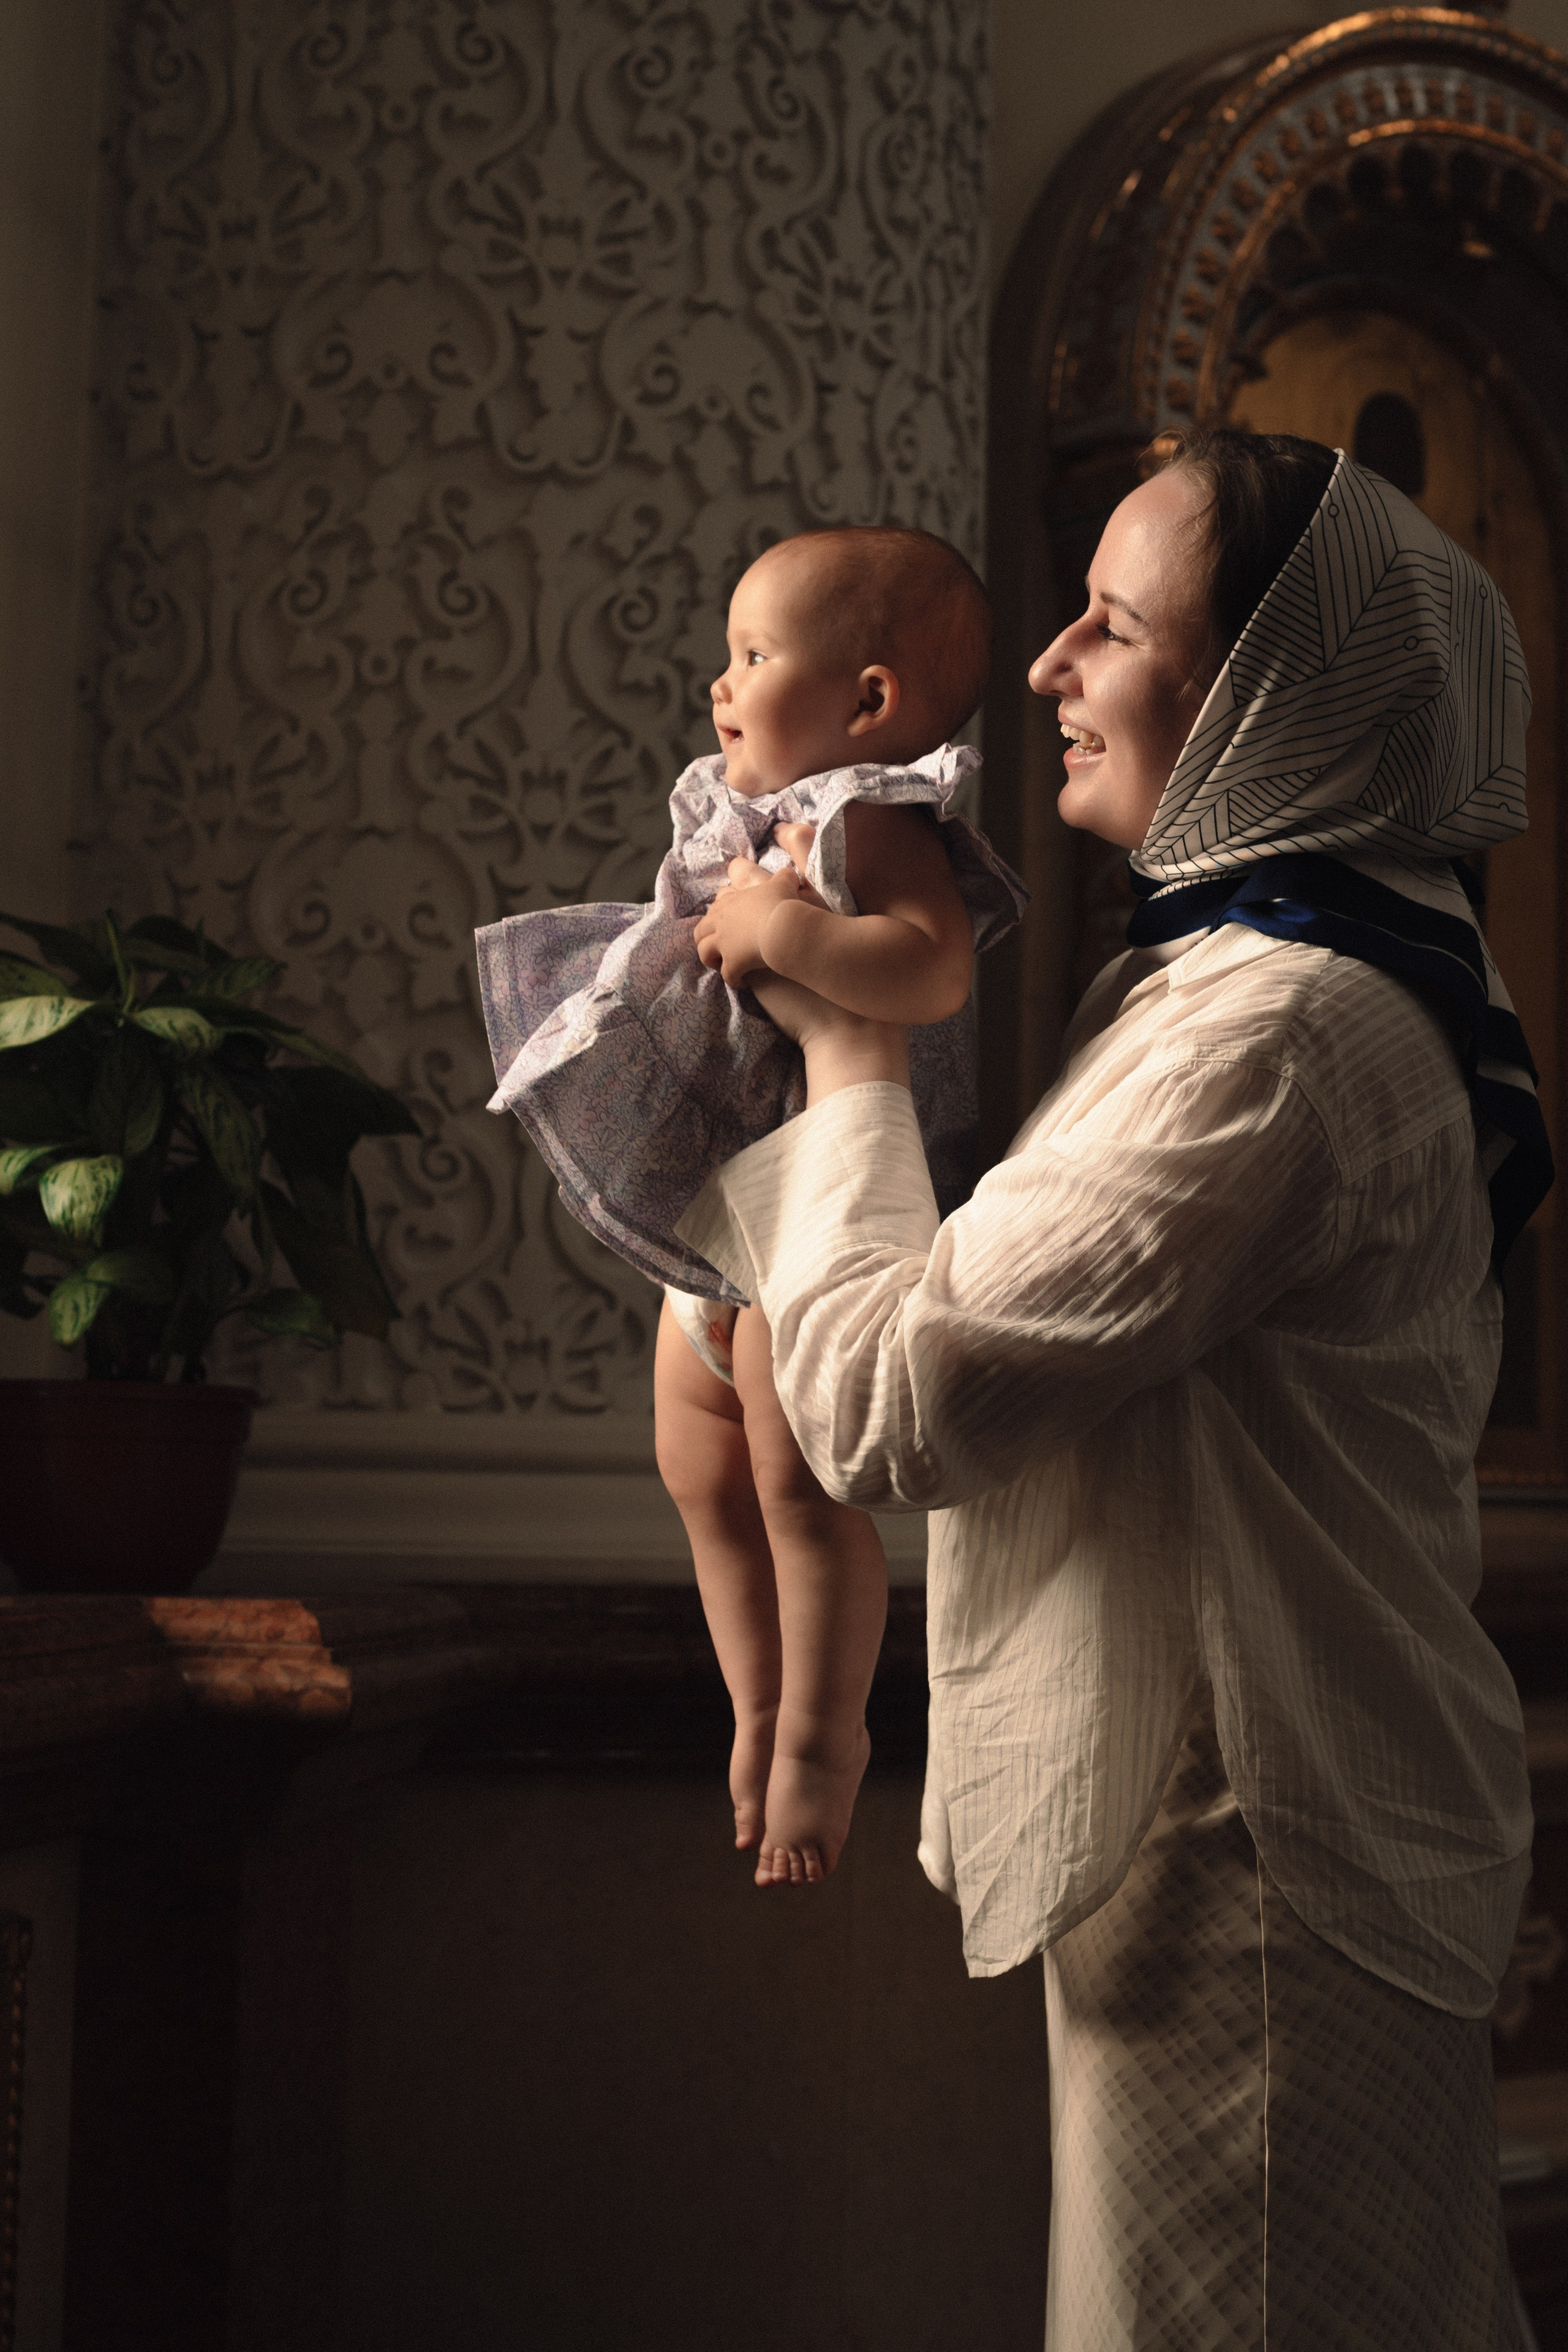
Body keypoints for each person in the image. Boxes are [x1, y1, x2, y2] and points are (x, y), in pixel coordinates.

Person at [684, 432, 1550, 2348]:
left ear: (1266, 696)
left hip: (1263, 1870)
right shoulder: (1245, 981)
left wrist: (846, 1048)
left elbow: (895, 1401)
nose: (1052, 665)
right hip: (1262, 1838)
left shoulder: (1277, 1032)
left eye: (1114, 624)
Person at [475, 525, 1026, 1886]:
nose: (721, 684)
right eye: (728, 656)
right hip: (722, 1221)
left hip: (808, 1221)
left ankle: (820, 1743)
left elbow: (931, 971)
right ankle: (752, 1706)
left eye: (756, 655)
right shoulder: (752, 813)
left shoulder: (876, 818)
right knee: (697, 1469)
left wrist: (783, 931)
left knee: (796, 1488)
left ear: (870, 703)